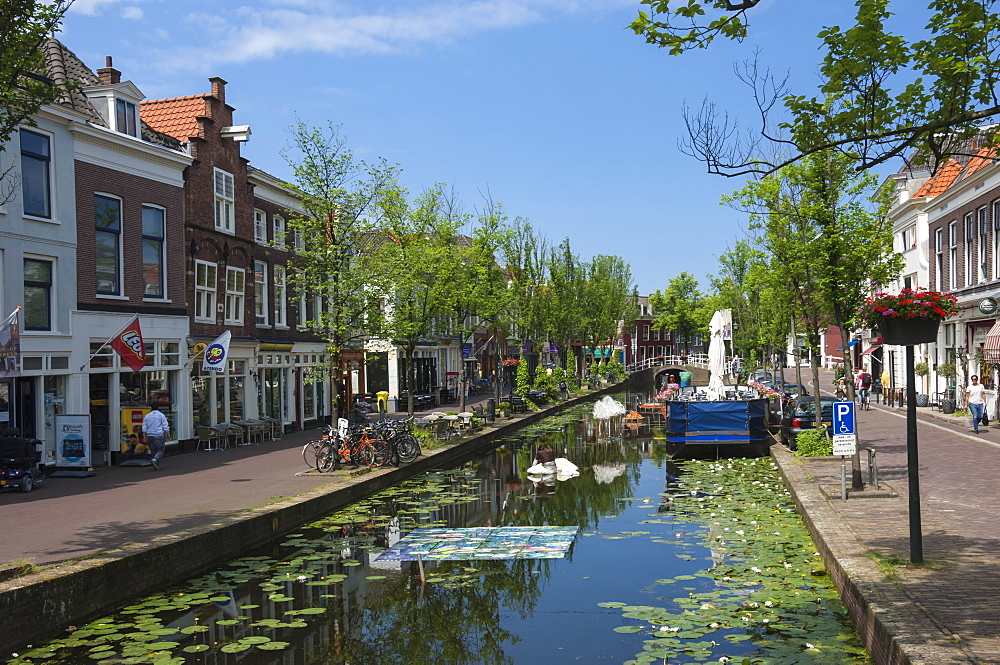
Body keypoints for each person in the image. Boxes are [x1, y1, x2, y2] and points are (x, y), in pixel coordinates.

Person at [142, 405, 170, 471]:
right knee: (161, 449)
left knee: (153, 450)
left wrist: (145, 435)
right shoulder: (161, 415)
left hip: (150, 435)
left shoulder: (147, 416)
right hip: (158, 434)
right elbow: (165, 425)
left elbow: (144, 426)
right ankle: (154, 460)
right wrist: (168, 434)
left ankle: (156, 465)